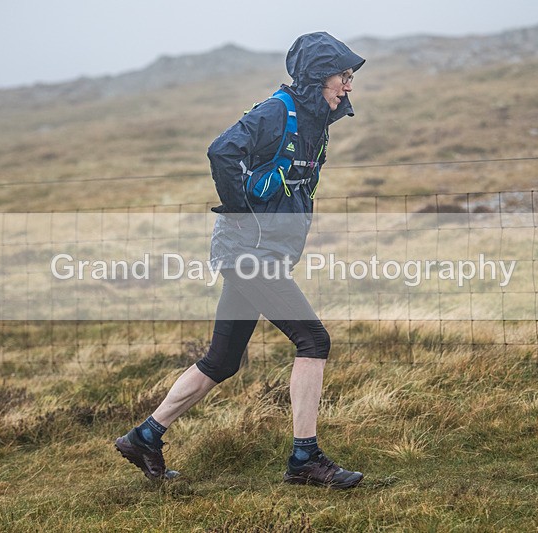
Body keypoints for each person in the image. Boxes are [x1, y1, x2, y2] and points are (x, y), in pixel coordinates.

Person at [116, 32, 365, 489]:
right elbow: (221, 150)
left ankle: (144, 436)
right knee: (313, 339)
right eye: (343, 76)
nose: (349, 85)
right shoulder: (276, 112)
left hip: (263, 254)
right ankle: (304, 458)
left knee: (222, 359)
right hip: (249, 256)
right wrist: (241, 214)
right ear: (316, 76)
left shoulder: (317, 122)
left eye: (351, 77)